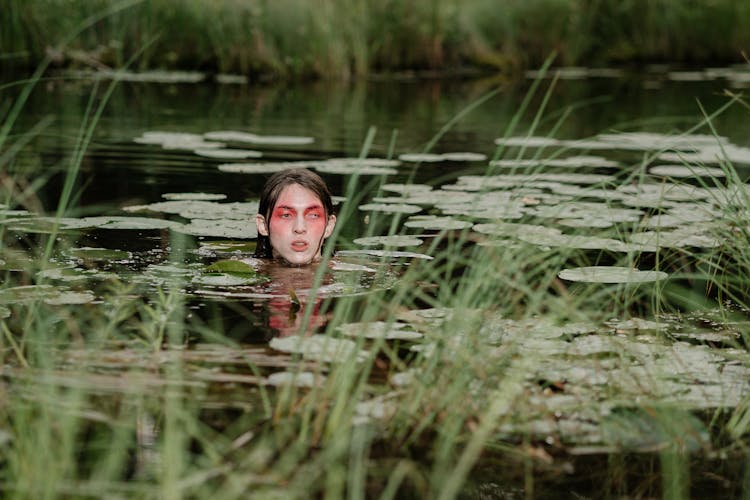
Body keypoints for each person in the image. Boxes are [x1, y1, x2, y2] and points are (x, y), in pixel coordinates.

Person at [254, 168, 337, 266]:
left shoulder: (355, 270)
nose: (299, 228)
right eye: (286, 215)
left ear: (329, 226)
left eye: (313, 215)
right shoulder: (237, 271)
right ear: (263, 225)